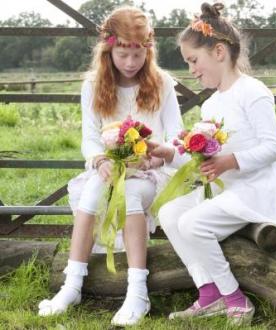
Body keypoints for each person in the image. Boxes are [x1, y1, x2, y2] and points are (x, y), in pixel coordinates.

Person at [150, 2, 276, 325]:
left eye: (193, 60)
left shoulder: (252, 92)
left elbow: (274, 147)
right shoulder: (212, 103)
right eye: (188, 63)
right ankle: (209, 293)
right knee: (170, 213)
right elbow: (202, 159)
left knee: (192, 223)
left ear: (218, 52)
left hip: (255, 193)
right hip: (225, 193)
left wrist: (230, 161)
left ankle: (236, 299)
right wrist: (168, 153)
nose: (192, 70)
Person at [37, 6, 182, 327]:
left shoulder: (162, 83)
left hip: (150, 171)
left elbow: (177, 136)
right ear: (108, 50)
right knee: (90, 196)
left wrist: (157, 155)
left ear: (148, 50)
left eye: (137, 54)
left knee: (130, 195)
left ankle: (137, 292)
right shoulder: (93, 84)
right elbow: (89, 139)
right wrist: (101, 159)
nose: (130, 63)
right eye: (122, 54)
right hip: (109, 168)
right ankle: (72, 285)